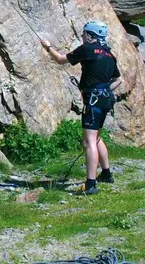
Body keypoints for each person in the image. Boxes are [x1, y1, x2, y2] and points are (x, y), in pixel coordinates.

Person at [41, 21, 121, 195]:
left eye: (84, 33)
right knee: (96, 137)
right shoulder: (109, 55)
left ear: (91, 35)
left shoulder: (87, 49)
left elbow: (61, 59)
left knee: (88, 141)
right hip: (106, 99)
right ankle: (106, 173)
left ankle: (90, 184)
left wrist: (48, 47)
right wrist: (104, 90)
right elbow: (118, 80)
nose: (82, 36)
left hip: (93, 100)